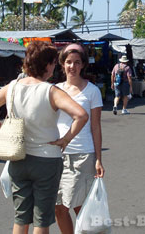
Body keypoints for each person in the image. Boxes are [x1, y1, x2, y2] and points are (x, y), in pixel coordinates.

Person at [0, 41, 88, 234]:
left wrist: (2, 130)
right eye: (54, 63)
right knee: (42, 220)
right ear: (47, 65)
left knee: (21, 218)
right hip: (47, 159)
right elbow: (81, 115)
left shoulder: (12, 87)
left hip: (19, 157)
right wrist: (66, 139)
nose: (55, 66)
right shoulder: (51, 91)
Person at [54, 43, 105, 234]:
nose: (72, 67)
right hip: (56, 155)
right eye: (68, 62)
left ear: (83, 65)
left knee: (79, 207)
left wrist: (99, 158)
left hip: (82, 155)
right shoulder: (55, 89)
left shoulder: (92, 91)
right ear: (62, 64)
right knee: (59, 207)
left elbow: (96, 126)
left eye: (76, 62)